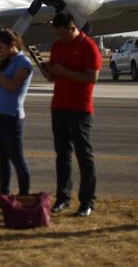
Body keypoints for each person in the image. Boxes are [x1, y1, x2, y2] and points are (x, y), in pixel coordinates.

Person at [43, 11, 101, 217]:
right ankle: (63, 198)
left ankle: (87, 201)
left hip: (80, 108)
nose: (61, 38)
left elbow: (92, 77)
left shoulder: (88, 47)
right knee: (62, 155)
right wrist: (47, 70)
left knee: (84, 155)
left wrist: (64, 72)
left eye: (63, 33)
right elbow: (53, 77)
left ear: (72, 27)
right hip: (58, 106)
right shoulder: (58, 46)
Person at [0, 28, 34, 204]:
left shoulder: (23, 63)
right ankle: (4, 196)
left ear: (12, 45)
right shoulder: (8, 62)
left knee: (17, 158)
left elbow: (12, 87)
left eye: (1, 48)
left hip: (12, 116)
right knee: (2, 159)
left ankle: (24, 195)